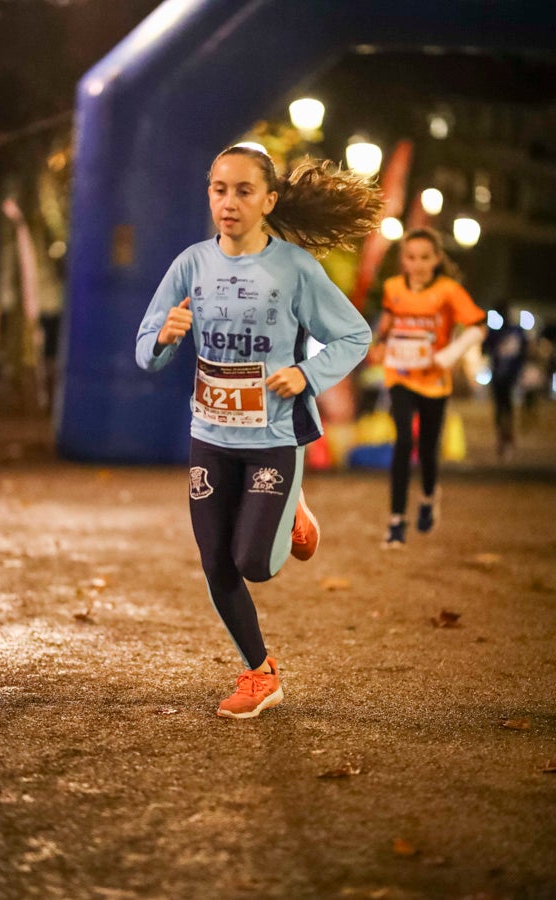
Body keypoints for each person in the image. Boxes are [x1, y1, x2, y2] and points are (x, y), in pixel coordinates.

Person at [136, 145, 381, 718]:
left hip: (273, 435)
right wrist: (166, 337)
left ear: (268, 201)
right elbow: (146, 353)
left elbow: (354, 335)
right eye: (219, 189)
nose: (229, 202)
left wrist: (306, 373)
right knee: (216, 562)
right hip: (210, 435)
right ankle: (259, 673)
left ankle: (292, 505)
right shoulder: (190, 265)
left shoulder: (295, 269)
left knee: (254, 563)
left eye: (244, 190)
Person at [370, 227, 486, 548]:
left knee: (429, 449)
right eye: (411, 257)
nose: (417, 264)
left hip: (435, 381)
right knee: (404, 440)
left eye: (424, 257)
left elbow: (478, 326)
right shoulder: (393, 287)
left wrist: (449, 355)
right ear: (402, 260)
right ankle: (396, 522)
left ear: (436, 259)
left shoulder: (448, 290)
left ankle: (429, 495)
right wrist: (380, 343)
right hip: (400, 375)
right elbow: (390, 320)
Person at [482, 302, 527, 459]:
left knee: (504, 408)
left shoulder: (507, 332)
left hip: (509, 376)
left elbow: (484, 349)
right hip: (504, 376)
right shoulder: (512, 331)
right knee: (504, 408)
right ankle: (505, 438)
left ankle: (506, 437)